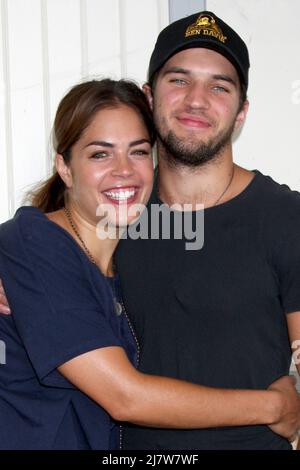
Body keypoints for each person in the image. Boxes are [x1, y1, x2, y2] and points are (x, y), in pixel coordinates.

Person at [1, 77, 298, 450]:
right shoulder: (35, 244)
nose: (124, 170)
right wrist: (274, 406)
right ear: (64, 167)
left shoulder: (133, 249)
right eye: (100, 154)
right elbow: (126, 397)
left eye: (139, 152)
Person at [112, 11, 300, 450]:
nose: (197, 100)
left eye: (219, 86)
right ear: (149, 97)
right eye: (179, 80)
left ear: (241, 112)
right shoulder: (113, 211)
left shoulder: (286, 217)